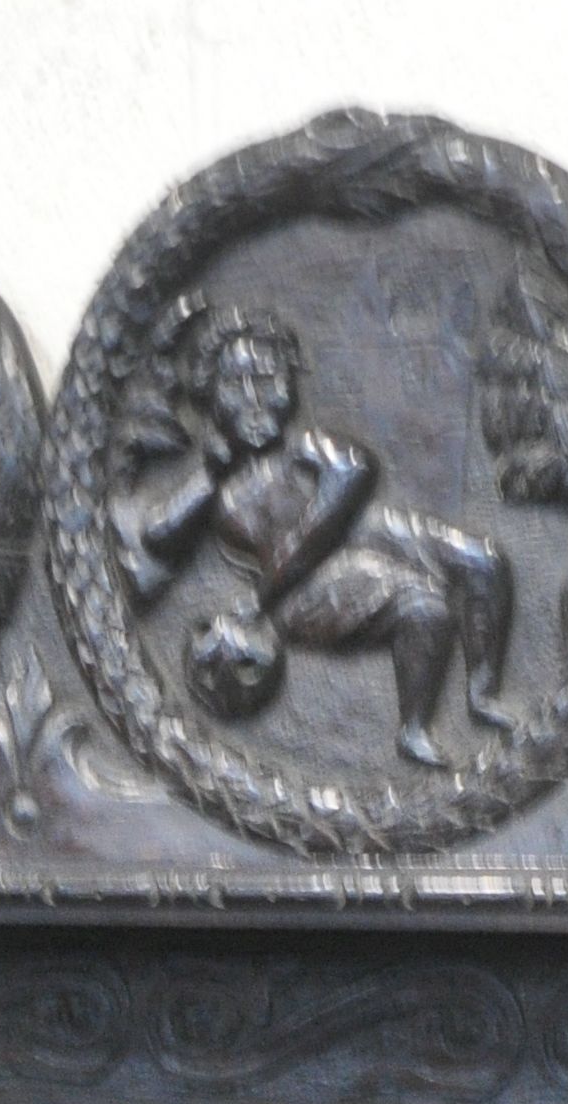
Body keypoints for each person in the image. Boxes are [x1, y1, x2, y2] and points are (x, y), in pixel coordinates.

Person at [111, 305, 513, 767]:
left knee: (484, 561)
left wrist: (266, 588)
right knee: (426, 609)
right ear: (208, 395)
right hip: (302, 591)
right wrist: (209, 471)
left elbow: (351, 478)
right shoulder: (220, 482)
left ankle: (484, 697)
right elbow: (160, 535)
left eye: (268, 381)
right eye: (235, 385)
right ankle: (415, 729)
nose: (254, 398)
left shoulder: (306, 450)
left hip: (346, 548)